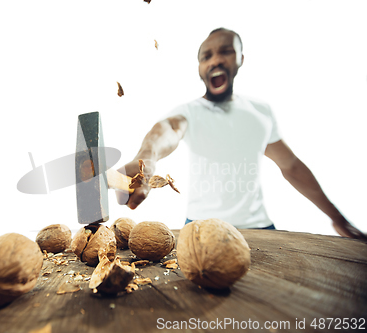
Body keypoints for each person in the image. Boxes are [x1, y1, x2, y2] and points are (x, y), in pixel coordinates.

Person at [116, 27, 366, 240]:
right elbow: (166, 131)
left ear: (240, 58)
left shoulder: (261, 112)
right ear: (200, 67)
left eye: (225, 51)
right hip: (201, 230)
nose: (215, 60)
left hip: (261, 230)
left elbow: (291, 167)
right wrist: (146, 158)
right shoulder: (189, 112)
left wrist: (337, 218)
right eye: (206, 56)